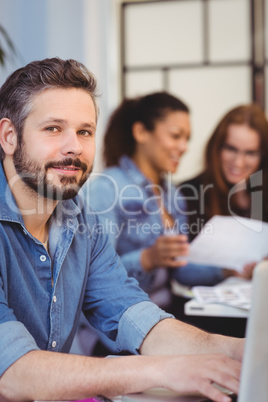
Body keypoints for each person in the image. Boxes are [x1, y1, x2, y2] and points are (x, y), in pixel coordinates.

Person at [0, 58, 243, 402]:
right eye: (53, 128)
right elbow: (12, 374)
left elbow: (132, 312)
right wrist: (163, 369)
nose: (74, 147)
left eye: (84, 131)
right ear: (9, 137)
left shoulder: (82, 221)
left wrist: (235, 351)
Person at [86, 93, 227, 315]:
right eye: (175, 136)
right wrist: (147, 258)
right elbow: (96, 275)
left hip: (165, 313)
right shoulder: (106, 188)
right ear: (141, 132)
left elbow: (180, 268)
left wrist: (227, 271)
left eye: (187, 139)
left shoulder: (174, 195)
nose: (183, 147)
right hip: (119, 322)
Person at [179, 104, 268, 278]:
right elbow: (177, 268)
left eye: (250, 153)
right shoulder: (188, 193)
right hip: (200, 299)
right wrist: (226, 272)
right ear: (216, 148)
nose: (238, 163)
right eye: (231, 149)